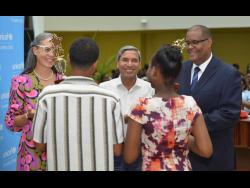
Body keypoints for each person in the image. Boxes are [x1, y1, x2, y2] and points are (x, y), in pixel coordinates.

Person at [32, 38, 124, 171]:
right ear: (95, 64)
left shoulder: (47, 96)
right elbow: (117, 150)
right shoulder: (111, 99)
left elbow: (39, 145)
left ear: (68, 59)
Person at [123, 44, 212, 171]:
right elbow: (206, 150)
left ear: (155, 70)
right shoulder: (190, 103)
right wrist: (179, 136)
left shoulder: (141, 106)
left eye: (149, 67)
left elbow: (129, 157)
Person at [177, 25, 241, 170]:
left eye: (195, 42)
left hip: (215, 157)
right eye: (187, 43)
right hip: (182, 156)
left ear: (209, 42)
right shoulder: (179, 70)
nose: (190, 47)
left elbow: (230, 113)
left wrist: (192, 125)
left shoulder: (228, 73)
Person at [5, 33, 64, 171]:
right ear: (35, 50)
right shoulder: (21, 82)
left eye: (55, 50)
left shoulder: (63, 81)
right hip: (31, 155)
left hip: (60, 151)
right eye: (48, 49)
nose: (52, 54)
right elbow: (10, 122)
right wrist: (28, 116)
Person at [100, 45, 154, 171]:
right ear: (117, 63)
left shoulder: (149, 88)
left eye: (134, 60)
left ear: (140, 64)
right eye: (125, 60)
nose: (129, 64)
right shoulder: (104, 88)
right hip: (111, 152)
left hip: (140, 152)